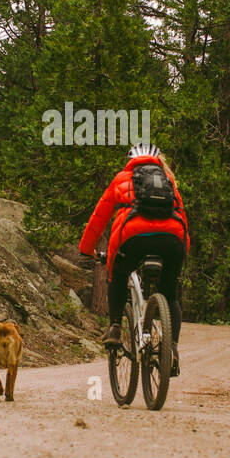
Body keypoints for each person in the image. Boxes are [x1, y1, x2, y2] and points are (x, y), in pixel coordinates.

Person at [79, 142, 189, 376]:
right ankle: (173, 350)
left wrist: (87, 248)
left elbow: (100, 215)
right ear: (159, 162)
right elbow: (182, 217)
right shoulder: (169, 181)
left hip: (133, 237)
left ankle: (116, 327)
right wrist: (182, 252)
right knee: (170, 294)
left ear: (131, 160)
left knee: (116, 274)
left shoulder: (122, 178)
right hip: (172, 238)